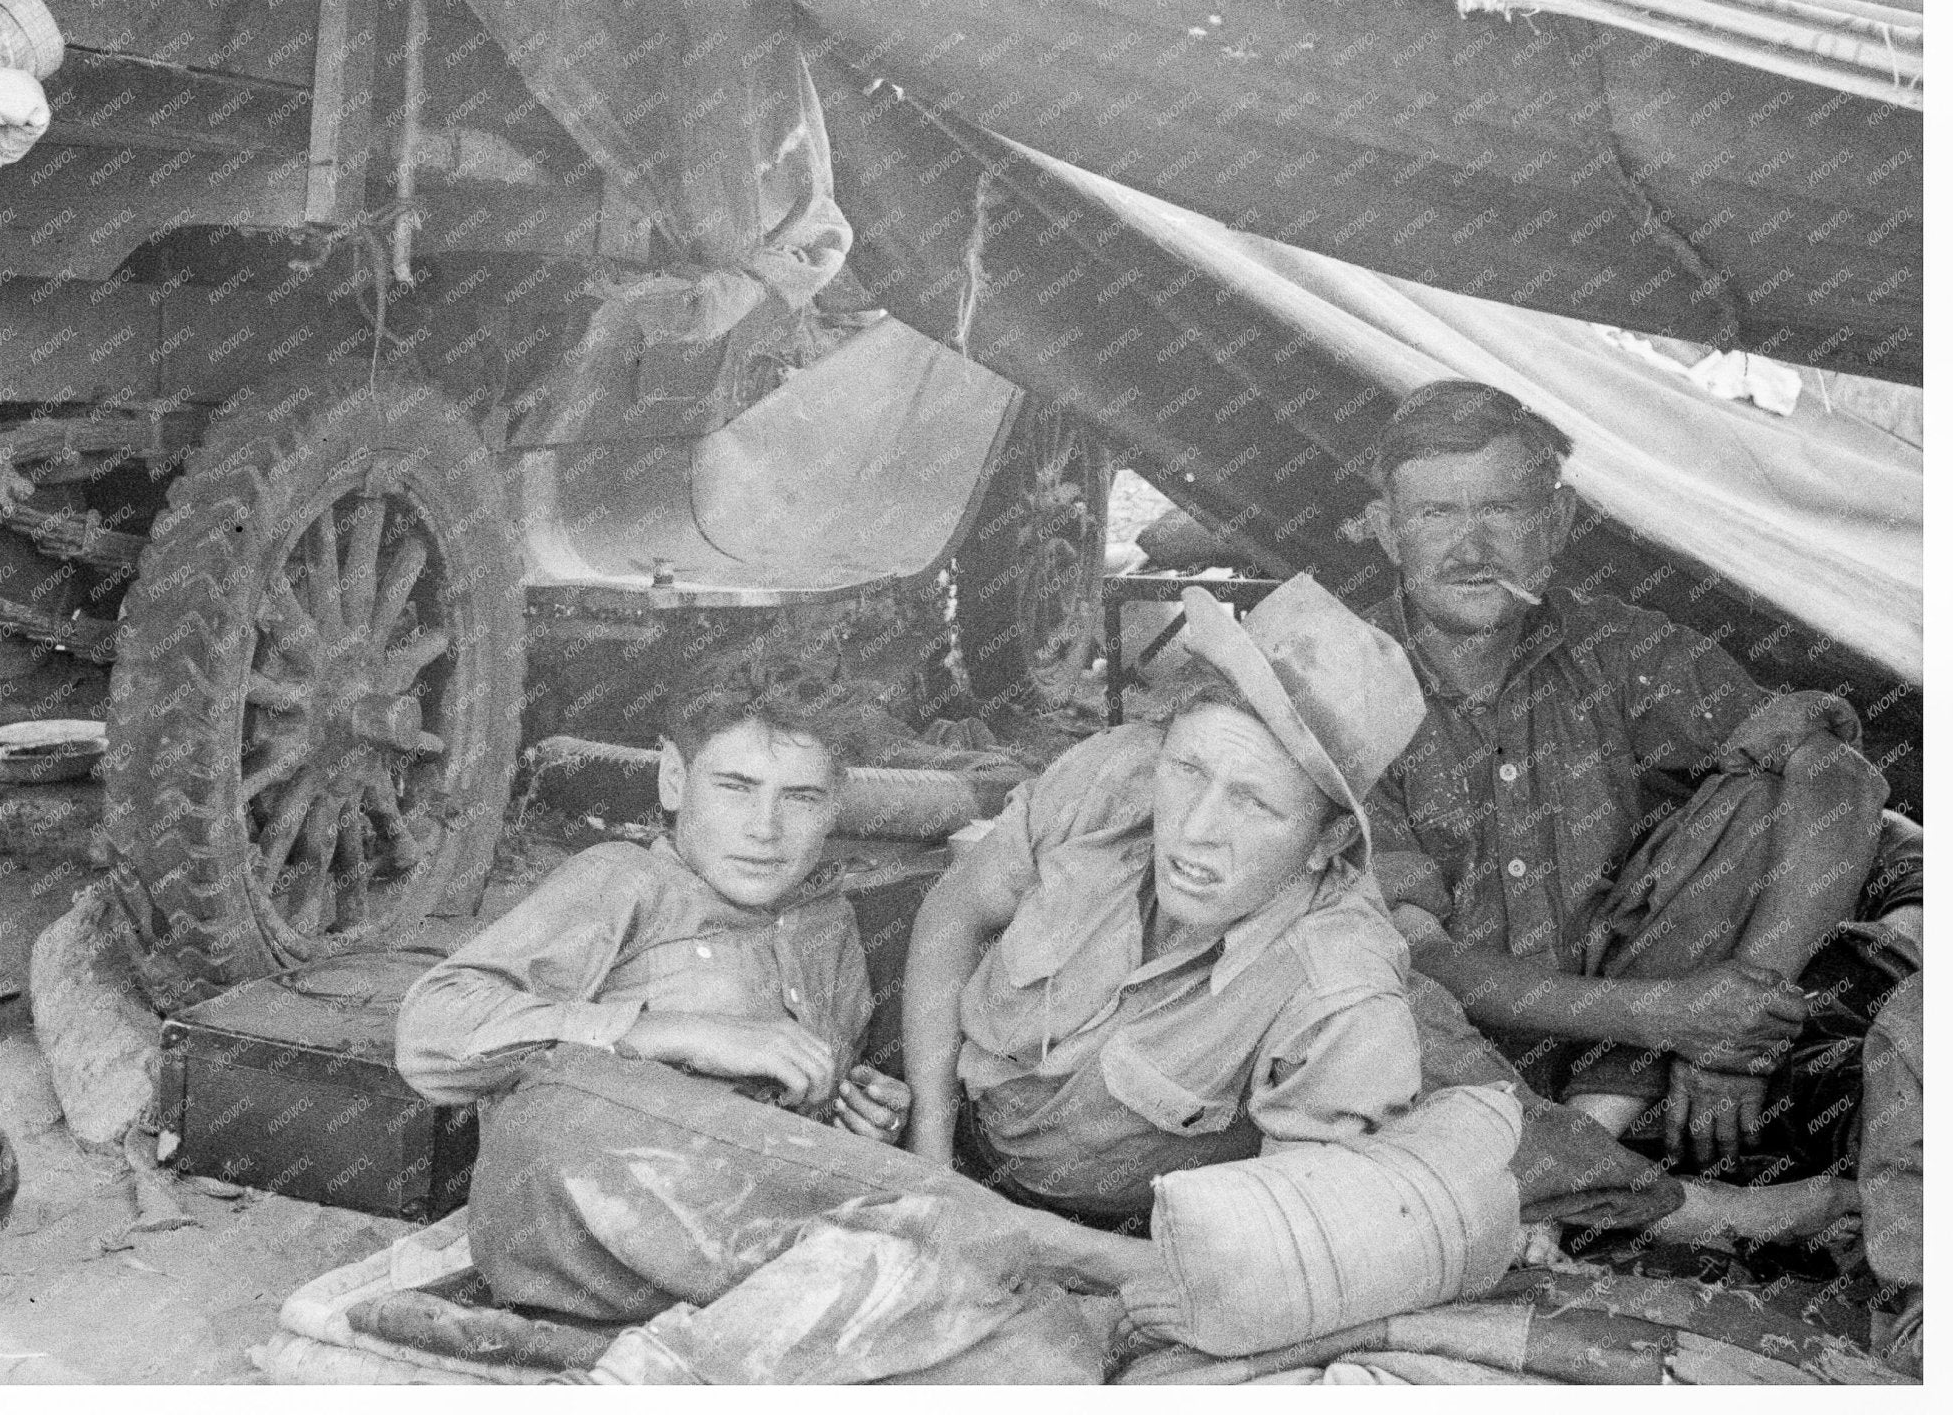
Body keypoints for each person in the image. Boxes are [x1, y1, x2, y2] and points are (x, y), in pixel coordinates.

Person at [397, 675, 1149, 1342]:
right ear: (672, 780)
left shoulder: (829, 926)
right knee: (558, 1111)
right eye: (733, 788)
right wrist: (673, 1033)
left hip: (736, 1240)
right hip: (593, 1218)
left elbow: (786, 1138)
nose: (765, 829)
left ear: (834, 808)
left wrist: (851, 1120)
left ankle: (969, 1270)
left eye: (800, 798)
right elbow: (431, 1031)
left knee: (988, 1333)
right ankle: (1052, 1248)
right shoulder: (622, 882)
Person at [1357, 378, 1893, 1243]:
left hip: (1628, 1062)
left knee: (1761, 792)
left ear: (1559, 524)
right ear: (1387, 531)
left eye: (1501, 508)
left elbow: (1843, 776)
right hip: (1447, 1061)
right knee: (1372, 979)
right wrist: (1668, 1013)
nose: (1470, 545)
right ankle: (1674, 1209)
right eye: (1435, 515)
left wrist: (1739, 1018)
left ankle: (1578, 1167)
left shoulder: (1622, 648)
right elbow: (1425, 958)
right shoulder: (1348, 683)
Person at [903, 573, 1431, 1229]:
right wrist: (927, 1142)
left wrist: (1014, 1239)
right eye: (1188, 770)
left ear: (1330, 837)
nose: (1196, 830)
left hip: (1115, 1239)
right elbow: (954, 909)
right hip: (944, 1133)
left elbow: (1288, 1250)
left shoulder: (1339, 990)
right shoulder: (1116, 774)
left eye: (1253, 801)